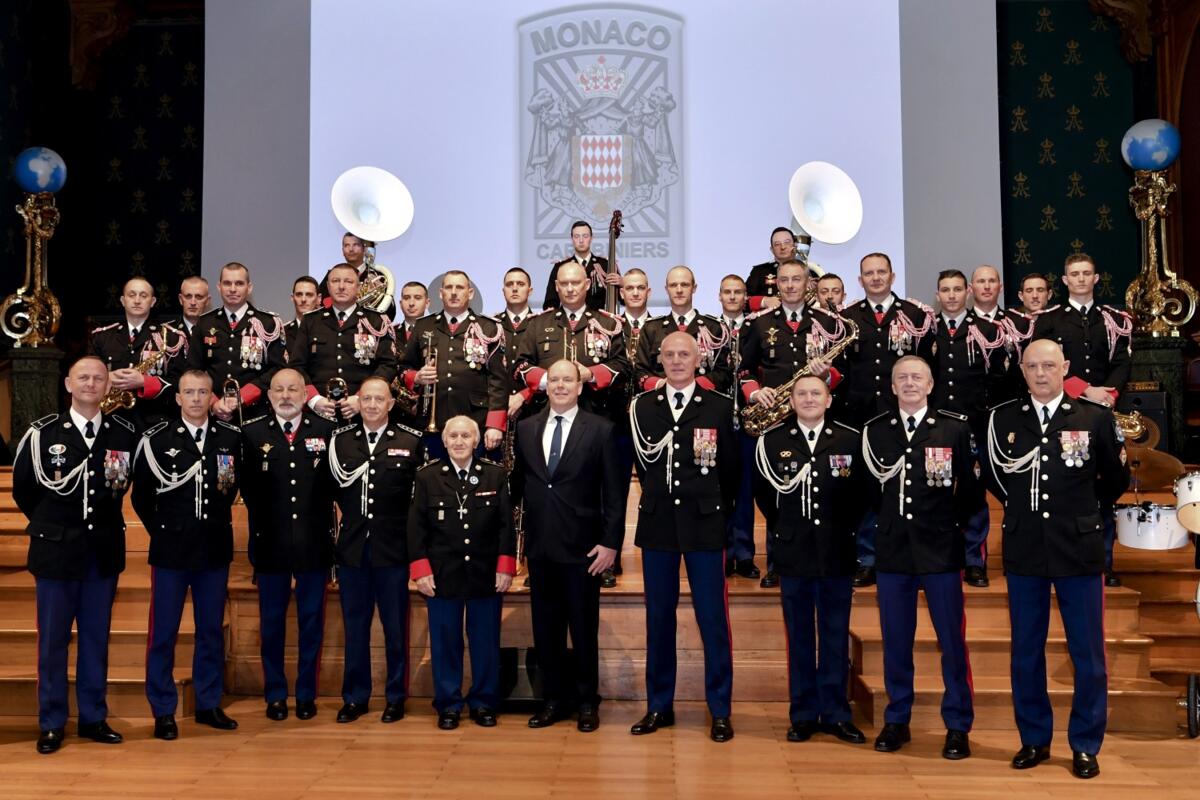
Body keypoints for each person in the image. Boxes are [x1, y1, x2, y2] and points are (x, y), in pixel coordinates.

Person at [983, 339, 1129, 779]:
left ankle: (1085, 743)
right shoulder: (1003, 419)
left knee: (1087, 653)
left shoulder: (1094, 417)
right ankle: (1034, 739)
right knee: (1026, 650)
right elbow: (993, 475)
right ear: (1022, 371)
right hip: (1026, 546)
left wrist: (1082, 511)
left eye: (1050, 365)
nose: (1041, 373)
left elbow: (1116, 479)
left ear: (1065, 367)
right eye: (1033, 366)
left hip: (1079, 548)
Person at [13, 356, 137, 754]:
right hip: (55, 553)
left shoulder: (123, 433)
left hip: (101, 553)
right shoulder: (41, 434)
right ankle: (51, 722)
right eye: (83, 377)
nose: (90, 384)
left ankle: (92, 717)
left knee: (96, 640)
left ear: (107, 387)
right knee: (52, 642)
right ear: (68, 383)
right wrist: (55, 526)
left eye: (98, 378)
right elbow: (26, 491)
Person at [860, 356, 979, 759]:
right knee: (896, 642)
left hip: (941, 551)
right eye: (902, 378)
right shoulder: (875, 432)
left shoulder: (953, 428)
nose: (909, 384)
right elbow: (870, 495)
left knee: (952, 642)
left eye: (917, 377)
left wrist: (948, 526)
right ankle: (897, 719)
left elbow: (970, 493)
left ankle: (958, 724)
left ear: (930, 385)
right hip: (893, 552)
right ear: (892, 387)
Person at [628, 332, 740, 742]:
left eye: (684, 355)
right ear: (659, 359)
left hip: (705, 525)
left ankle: (720, 710)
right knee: (659, 620)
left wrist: (717, 512)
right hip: (658, 527)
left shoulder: (719, 407)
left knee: (712, 620)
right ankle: (659, 706)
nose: (676, 361)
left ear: (699, 360)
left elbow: (731, 472)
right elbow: (641, 462)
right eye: (670, 354)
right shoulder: (642, 407)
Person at [755, 376, 866, 745]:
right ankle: (802, 713)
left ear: (829, 400)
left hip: (837, 550)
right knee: (800, 636)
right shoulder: (772, 442)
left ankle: (835, 714)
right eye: (800, 394)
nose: (808, 399)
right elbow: (766, 498)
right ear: (791, 401)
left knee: (835, 635)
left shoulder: (851, 439)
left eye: (815, 393)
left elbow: (861, 497)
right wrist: (788, 528)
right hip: (794, 552)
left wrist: (842, 529)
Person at [131, 369, 241, 740]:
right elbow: (142, 496)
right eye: (188, 392)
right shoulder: (157, 440)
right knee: (163, 632)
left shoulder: (230, 438)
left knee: (210, 630)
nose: (195, 399)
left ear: (211, 397)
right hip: (171, 551)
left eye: (202, 392)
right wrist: (165, 530)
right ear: (177, 398)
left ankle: (209, 703)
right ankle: (163, 709)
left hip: (213, 548)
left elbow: (234, 488)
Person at [515, 360, 623, 731]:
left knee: (582, 628)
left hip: (584, 549)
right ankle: (553, 700)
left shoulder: (602, 429)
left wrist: (610, 544)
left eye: (568, 380)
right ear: (546, 386)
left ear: (580, 387)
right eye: (555, 379)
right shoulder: (526, 428)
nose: (561, 385)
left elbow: (614, 493)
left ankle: (586, 702)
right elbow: (520, 486)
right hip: (541, 547)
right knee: (546, 630)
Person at [737, 259, 845, 587]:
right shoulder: (757, 323)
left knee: (822, 491)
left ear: (808, 284)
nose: (790, 285)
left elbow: (844, 373)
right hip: (775, 422)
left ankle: (826, 558)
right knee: (776, 492)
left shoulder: (828, 322)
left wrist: (826, 374)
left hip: (817, 419)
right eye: (784, 280)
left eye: (796, 279)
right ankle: (777, 562)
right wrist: (756, 394)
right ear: (776, 285)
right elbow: (743, 371)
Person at [240, 368, 337, 721]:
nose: (285, 395)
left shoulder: (326, 432)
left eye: (292, 389)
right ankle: (276, 694)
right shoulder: (251, 434)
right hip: (271, 545)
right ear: (268, 395)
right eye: (278, 389)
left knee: (312, 623)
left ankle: (306, 693)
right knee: (272, 624)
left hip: (313, 545)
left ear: (304, 393)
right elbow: (248, 491)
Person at [408, 416, 516, 730]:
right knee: (445, 642)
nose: (458, 441)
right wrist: (421, 571)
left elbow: (506, 525)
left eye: (465, 435)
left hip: (485, 573)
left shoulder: (494, 475)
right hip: (442, 574)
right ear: (443, 441)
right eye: (452, 435)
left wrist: (505, 567)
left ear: (476, 440)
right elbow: (415, 528)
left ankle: (484, 703)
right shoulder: (428, 477)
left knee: (485, 642)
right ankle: (448, 704)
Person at [1031, 253, 1132, 586]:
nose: (1081, 279)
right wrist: (1085, 390)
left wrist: (1108, 395)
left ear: (1096, 278)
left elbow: (1121, 363)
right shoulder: (1049, 320)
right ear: (1064, 280)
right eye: (1074, 274)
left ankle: (1103, 561)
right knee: (1065, 483)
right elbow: (1041, 364)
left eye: (1087, 273)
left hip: (1103, 413)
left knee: (1102, 482)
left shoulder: (1114, 318)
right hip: (1065, 411)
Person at [327, 376, 424, 724]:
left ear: (390, 403)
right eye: (365, 398)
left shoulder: (410, 441)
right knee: (355, 628)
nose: (371, 405)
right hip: (353, 549)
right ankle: (355, 697)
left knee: (395, 628)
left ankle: (395, 697)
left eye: (378, 399)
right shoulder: (340, 441)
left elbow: (418, 503)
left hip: (393, 550)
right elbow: (331, 494)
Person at [840, 253, 936, 587]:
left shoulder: (915, 315)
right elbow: (843, 371)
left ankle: (916, 556)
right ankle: (867, 558)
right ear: (860, 279)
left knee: (912, 487)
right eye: (869, 273)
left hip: (907, 417)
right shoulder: (847, 318)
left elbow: (927, 368)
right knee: (867, 489)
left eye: (882, 272)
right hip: (861, 417)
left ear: (893, 277)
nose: (876, 278)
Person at [929, 270, 1009, 588]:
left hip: (974, 425)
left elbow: (1000, 380)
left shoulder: (988, 330)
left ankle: (974, 560)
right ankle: (939, 555)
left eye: (957, 289)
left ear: (969, 292)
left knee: (974, 493)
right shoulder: (926, 331)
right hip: (935, 428)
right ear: (937, 294)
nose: (951, 295)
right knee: (936, 491)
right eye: (945, 290)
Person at [396, 269, 508, 459]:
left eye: (459, 287)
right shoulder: (424, 326)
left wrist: (495, 425)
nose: (454, 292)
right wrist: (417, 377)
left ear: (470, 293)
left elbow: (498, 381)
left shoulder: (488, 327)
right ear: (441, 293)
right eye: (449, 287)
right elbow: (403, 368)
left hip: (475, 422)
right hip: (432, 421)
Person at [513, 262, 629, 421]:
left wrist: (591, 374)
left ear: (587, 284)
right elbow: (520, 366)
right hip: (545, 414)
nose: (569, 289)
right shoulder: (538, 324)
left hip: (596, 414)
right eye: (564, 283)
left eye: (575, 283)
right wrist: (552, 379)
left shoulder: (608, 324)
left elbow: (622, 366)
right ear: (556, 286)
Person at [289, 263, 399, 422]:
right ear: (327, 286)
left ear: (359, 286)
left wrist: (362, 398)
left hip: (362, 414)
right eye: (335, 281)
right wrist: (314, 400)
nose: (341, 286)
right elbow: (297, 365)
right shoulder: (310, 321)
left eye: (348, 282)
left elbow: (387, 366)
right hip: (318, 415)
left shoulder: (376, 321)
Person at [187, 262, 287, 422]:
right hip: (215, 413)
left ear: (249, 287)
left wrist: (245, 395)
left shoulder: (268, 323)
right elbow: (193, 370)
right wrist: (213, 403)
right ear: (219, 287)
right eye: (227, 283)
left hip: (256, 414)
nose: (232, 289)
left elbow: (279, 369)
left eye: (239, 283)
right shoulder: (205, 323)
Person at [90, 276, 189, 427]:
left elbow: (182, 383)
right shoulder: (102, 337)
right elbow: (86, 375)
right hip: (111, 421)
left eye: (143, 296)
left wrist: (144, 382)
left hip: (155, 422)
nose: (137, 300)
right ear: (123, 300)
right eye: (132, 295)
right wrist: (107, 377)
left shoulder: (171, 338)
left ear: (153, 301)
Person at [634, 266, 733, 395]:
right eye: (673, 285)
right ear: (666, 289)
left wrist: (692, 387)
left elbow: (724, 372)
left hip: (702, 402)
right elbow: (640, 370)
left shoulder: (714, 328)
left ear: (694, 288)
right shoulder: (651, 328)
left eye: (684, 285)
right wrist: (661, 385)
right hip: (661, 401)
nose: (679, 290)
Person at [717, 274, 758, 579]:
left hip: (749, 418)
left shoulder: (757, 327)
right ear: (719, 296)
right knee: (718, 488)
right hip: (716, 420)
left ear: (746, 296)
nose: (732, 297)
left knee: (745, 489)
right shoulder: (708, 328)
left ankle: (743, 554)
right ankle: (721, 551)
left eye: (738, 292)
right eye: (727, 292)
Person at [970, 265, 1036, 406]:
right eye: (981, 281)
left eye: (992, 281)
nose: (987, 286)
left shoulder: (1019, 323)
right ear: (970, 288)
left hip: (1011, 404)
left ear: (1000, 288)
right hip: (971, 406)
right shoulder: (962, 324)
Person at [542, 220, 620, 311]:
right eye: (576, 236)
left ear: (591, 238)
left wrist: (623, 284)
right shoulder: (561, 267)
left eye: (585, 236)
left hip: (600, 321)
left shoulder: (605, 265)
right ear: (572, 239)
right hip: (569, 321)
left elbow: (622, 299)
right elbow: (550, 302)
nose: (581, 240)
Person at [319, 232, 396, 318]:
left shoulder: (378, 276)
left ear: (364, 249)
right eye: (346, 245)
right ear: (342, 251)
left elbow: (391, 314)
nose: (351, 249)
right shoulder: (332, 274)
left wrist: (376, 297)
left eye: (356, 245)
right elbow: (320, 304)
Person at [745, 226, 799, 312]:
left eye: (787, 242)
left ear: (795, 246)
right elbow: (742, 300)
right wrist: (764, 301)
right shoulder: (760, 272)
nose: (783, 247)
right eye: (777, 244)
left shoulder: (810, 271)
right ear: (772, 250)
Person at [284, 276, 322, 351]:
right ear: (292, 298)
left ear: (319, 299)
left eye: (309, 295)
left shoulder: (329, 330)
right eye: (299, 294)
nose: (303, 299)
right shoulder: (283, 332)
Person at [394, 280, 430, 349]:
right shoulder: (390, 333)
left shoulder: (437, 332)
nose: (411, 303)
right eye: (406, 298)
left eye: (417, 298)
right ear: (401, 304)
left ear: (427, 303)